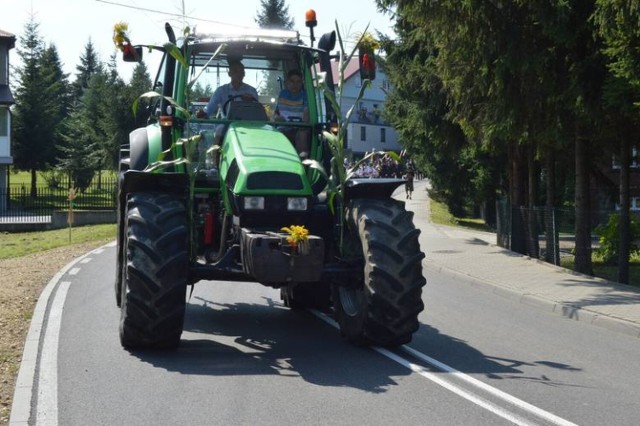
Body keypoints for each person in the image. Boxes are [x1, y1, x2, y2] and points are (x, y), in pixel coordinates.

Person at [274, 69, 310, 157]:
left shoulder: (305, 95)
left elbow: (306, 114)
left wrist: (303, 123)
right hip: (284, 127)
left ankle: (302, 162)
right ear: (287, 83)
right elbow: (276, 114)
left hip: (299, 127)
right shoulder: (283, 94)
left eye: (298, 82)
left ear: (301, 83)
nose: (295, 85)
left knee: (302, 134)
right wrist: (278, 118)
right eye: (292, 81)